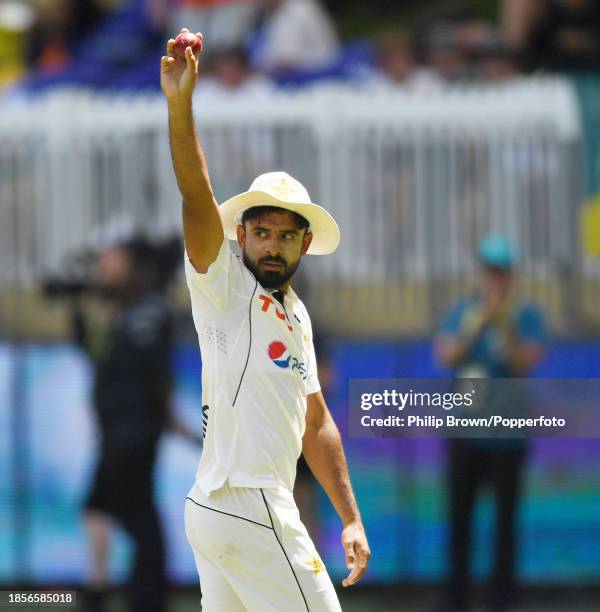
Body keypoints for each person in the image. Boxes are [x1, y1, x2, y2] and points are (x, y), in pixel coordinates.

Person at [161, 28, 370, 611]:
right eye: (260, 233)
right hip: (246, 502)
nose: (271, 247)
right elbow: (196, 199)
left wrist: (350, 519)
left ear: (304, 244)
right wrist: (181, 105)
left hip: (220, 509)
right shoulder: (223, 286)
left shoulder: (297, 315)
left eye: (284, 235)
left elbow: (317, 421)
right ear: (242, 237)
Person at [72, 237, 200, 612]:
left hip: (134, 435)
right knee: (101, 507)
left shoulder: (148, 314)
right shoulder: (123, 313)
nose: (102, 269)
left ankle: (146, 598)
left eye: (112, 261)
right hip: (117, 433)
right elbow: (98, 356)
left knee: (138, 516)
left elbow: (156, 377)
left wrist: (170, 419)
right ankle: (103, 593)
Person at [434, 235, 546, 612]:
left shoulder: (525, 314)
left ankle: (502, 601)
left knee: (504, 524)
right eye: (490, 272)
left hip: (507, 436)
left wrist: (503, 324)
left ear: (511, 276)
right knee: (459, 520)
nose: (495, 280)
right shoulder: (465, 310)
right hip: (465, 433)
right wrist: (477, 324)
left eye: (501, 273)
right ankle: (457, 600)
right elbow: (447, 354)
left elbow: (524, 362)